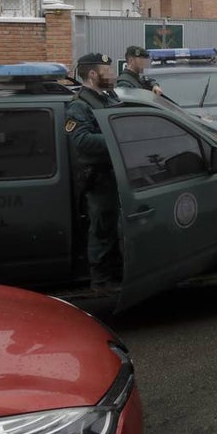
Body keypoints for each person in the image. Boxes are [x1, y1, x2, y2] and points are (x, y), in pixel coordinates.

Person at [66, 53, 123, 295]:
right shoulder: (80, 105)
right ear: (92, 74)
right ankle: (100, 281)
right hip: (98, 179)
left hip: (115, 176)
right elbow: (82, 141)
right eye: (107, 70)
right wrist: (118, 138)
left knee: (113, 226)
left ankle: (116, 273)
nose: (111, 74)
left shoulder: (106, 98)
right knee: (101, 227)